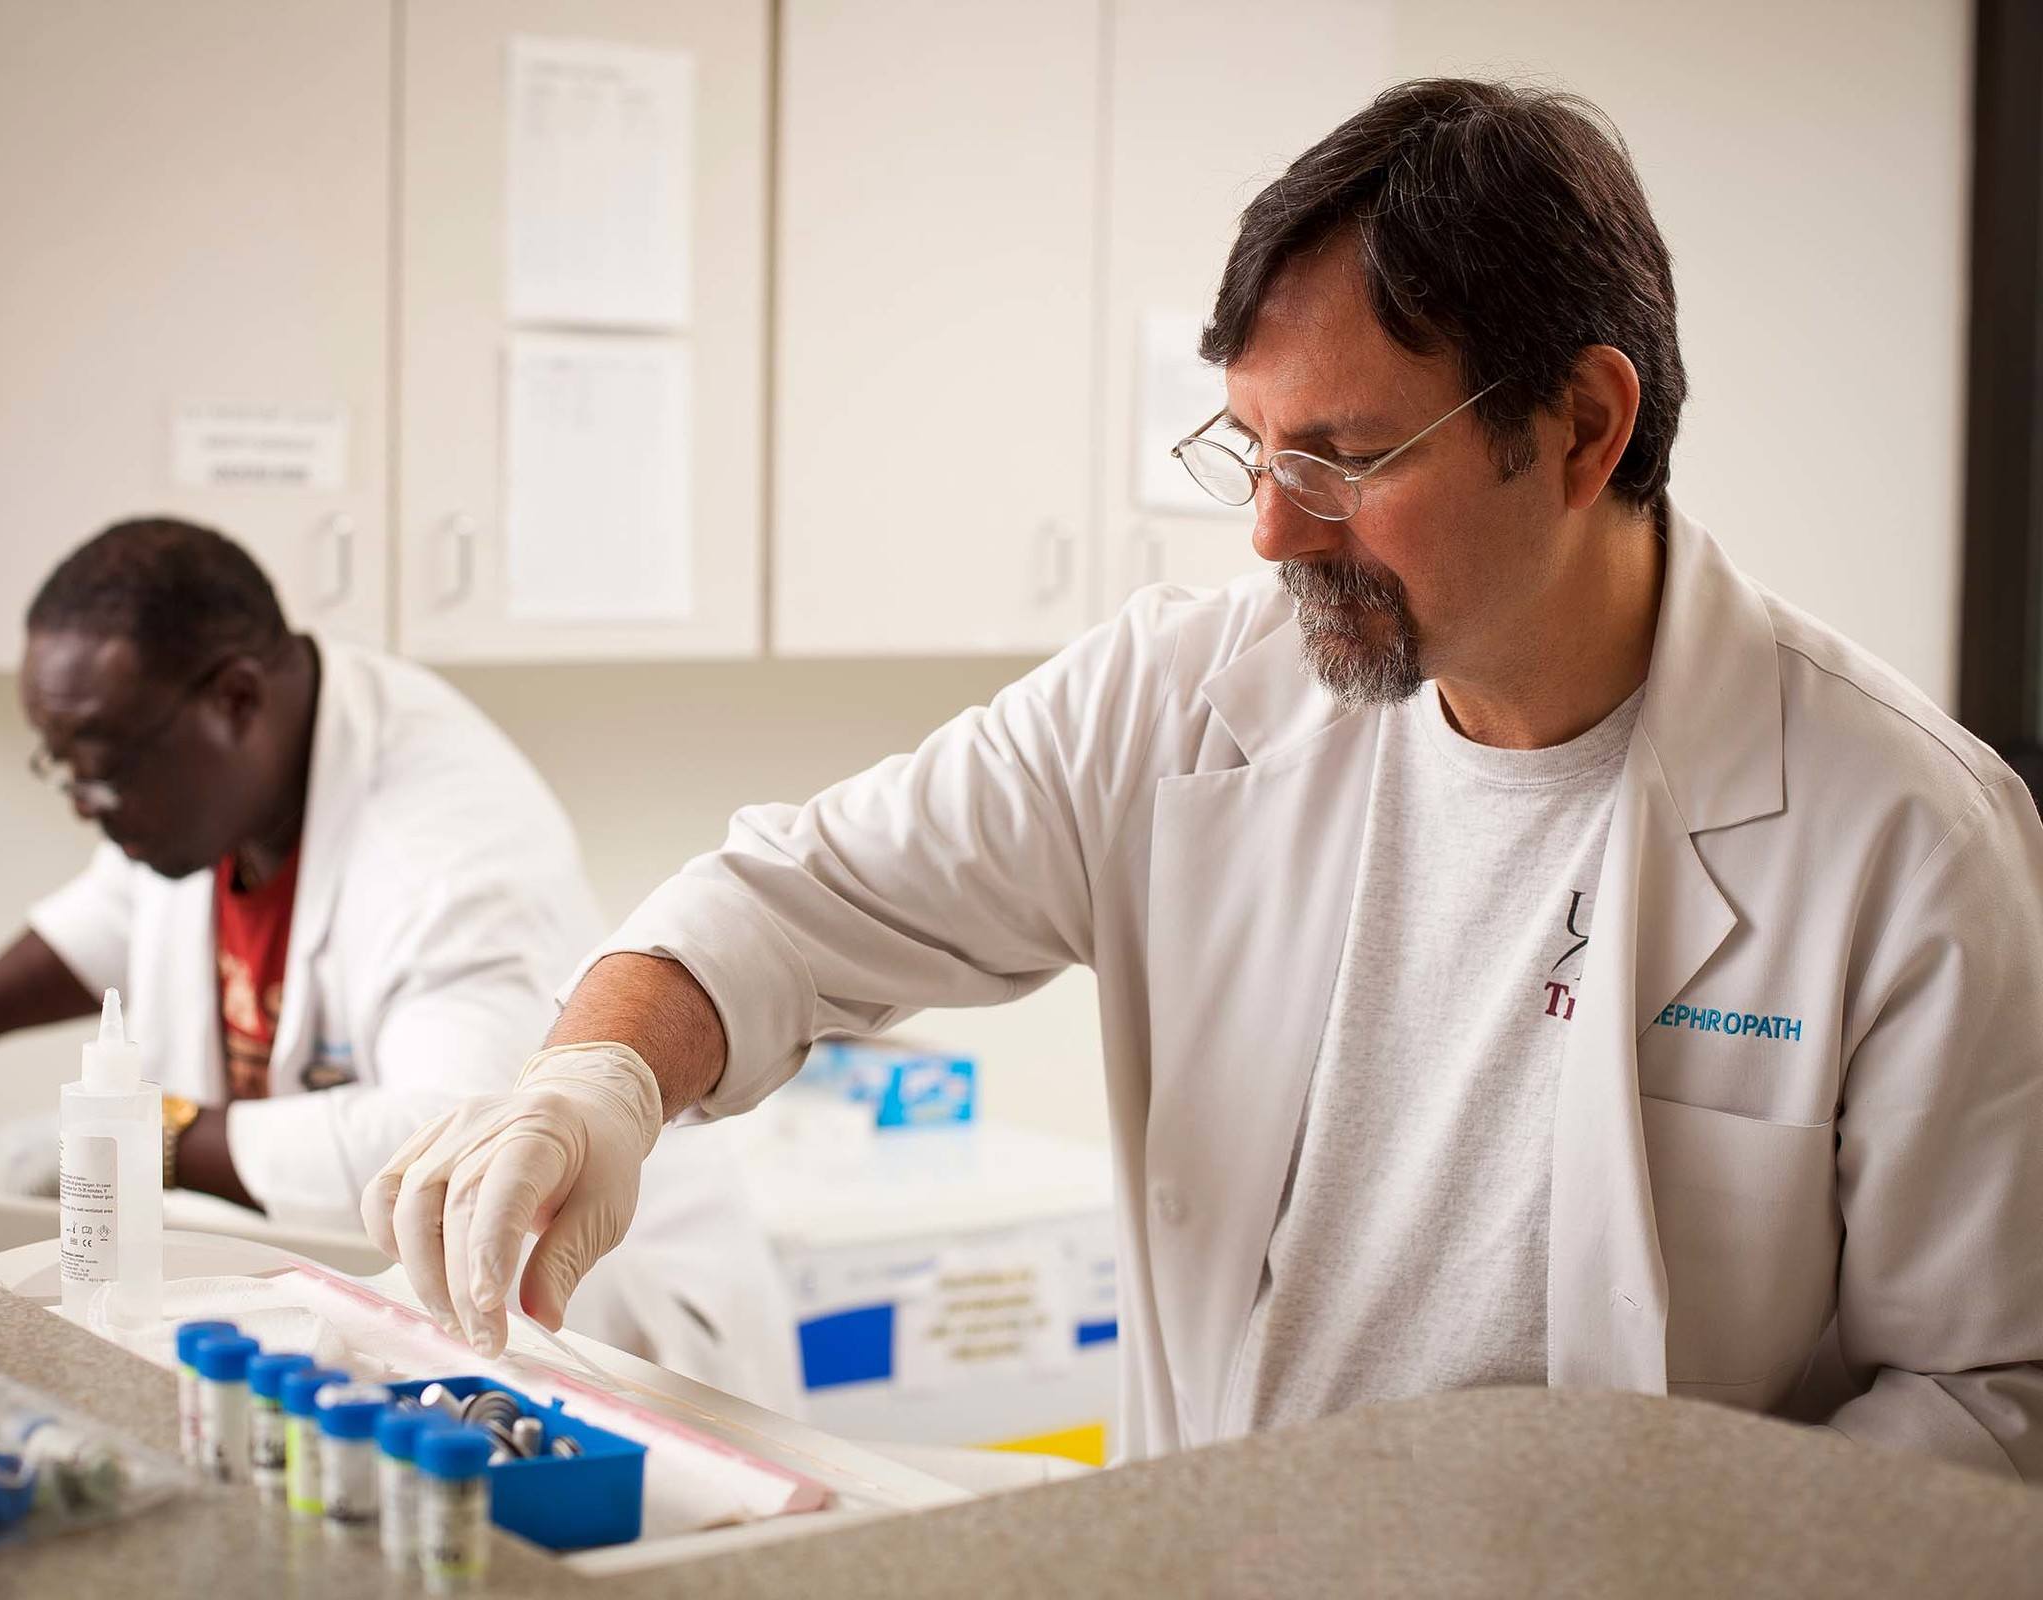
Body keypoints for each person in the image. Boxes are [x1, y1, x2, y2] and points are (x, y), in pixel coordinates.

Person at [363, 79, 2043, 1478]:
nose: (1269, 528)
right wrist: (595, 1081)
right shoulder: (1184, 700)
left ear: (1588, 427)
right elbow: (787, 906)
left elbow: (1988, 1395)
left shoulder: (1905, 839)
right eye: (1249, 446)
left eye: (1344, 456)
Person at [0, 519, 797, 1408]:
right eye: (61, 769)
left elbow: (455, 1131)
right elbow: (116, 909)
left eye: (100, 769)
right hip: (385, 1300)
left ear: (232, 699)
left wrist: (167, 1138)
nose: (84, 804)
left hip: (600, 1323)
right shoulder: (216, 781)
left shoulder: (441, 851)